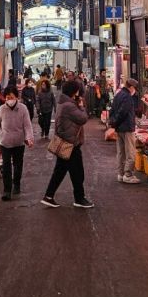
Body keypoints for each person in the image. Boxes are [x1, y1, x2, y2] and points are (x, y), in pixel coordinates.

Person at [41, 81, 94, 209]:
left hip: (65, 142)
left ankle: (49, 196)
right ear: (74, 92)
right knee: (77, 173)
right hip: (70, 144)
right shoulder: (69, 106)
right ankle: (79, 198)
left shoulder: (64, 103)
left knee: (60, 171)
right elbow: (83, 118)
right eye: (77, 91)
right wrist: (81, 106)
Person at [0, 87, 34, 201]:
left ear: (17, 97)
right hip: (5, 143)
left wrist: (29, 138)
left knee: (18, 165)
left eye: (11, 97)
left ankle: (16, 184)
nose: (9, 100)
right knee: (6, 166)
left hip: (19, 142)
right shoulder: (2, 109)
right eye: (7, 98)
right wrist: (0, 134)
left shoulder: (23, 109)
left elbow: (27, 125)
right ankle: (7, 190)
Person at [108, 79, 140, 184]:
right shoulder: (127, 97)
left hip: (120, 128)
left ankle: (121, 174)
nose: (134, 90)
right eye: (134, 88)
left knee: (121, 152)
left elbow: (112, 110)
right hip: (127, 127)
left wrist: (113, 123)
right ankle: (128, 174)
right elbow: (123, 112)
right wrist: (116, 122)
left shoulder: (118, 94)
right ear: (131, 87)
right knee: (130, 152)